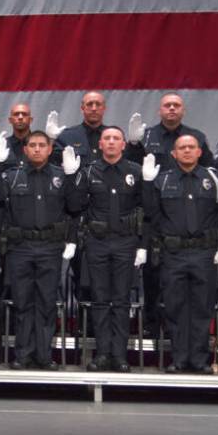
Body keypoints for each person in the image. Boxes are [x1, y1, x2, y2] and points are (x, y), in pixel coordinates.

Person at [0, 131, 82, 370]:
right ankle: (23, 354)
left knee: (46, 302)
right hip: (20, 247)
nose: (38, 149)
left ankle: (43, 355)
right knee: (23, 302)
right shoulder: (12, 176)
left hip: (51, 248)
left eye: (42, 145)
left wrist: (72, 177)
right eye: (33, 145)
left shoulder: (62, 177)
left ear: (50, 150)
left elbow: (75, 207)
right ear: (25, 150)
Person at [125, 93, 213, 336]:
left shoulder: (197, 137)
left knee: (186, 287)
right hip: (154, 212)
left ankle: (182, 335)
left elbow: (209, 171)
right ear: (159, 110)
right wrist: (133, 145)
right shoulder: (147, 136)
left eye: (176, 105)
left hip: (187, 213)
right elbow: (130, 172)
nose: (172, 109)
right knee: (153, 279)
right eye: (167, 105)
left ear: (183, 111)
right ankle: (153, 328)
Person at [142, 135, 218, 374]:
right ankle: (179, 359)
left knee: (202, 308)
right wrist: (148, 184)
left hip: (204, 252)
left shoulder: (214, 179)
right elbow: (152, 215)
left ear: (200, 152)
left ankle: (200, 361)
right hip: (174, 253)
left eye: (192, 147)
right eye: (182, 148)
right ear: (174, 153)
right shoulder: (163, 179)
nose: (187, 151)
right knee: (175, 307)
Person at [75, 127, 146, 373]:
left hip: (126, 241)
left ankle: (120, 355)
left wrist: (142, 245)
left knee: (121, 300)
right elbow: (75, 206)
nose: (112, 142)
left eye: (116, 138)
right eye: (107, 138)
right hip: (97, 241)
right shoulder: (88, 171)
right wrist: (72, 176)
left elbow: (148, 210)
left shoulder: (135, 172)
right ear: (101, 145)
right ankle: (103, 354)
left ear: (124, 144)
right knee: (100, 299)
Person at [47, 91, 107, 167]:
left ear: (104, 108)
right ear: (82, 109)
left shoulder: (114, 136)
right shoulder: (67, 136)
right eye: (89, 104)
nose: (94, 108)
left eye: (98, 104)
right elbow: (52, 165)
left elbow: (124, 163)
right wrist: (51, 140)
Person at [0, 102, 33, 169]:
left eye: (24, 114)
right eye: (16, 114)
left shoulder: (40, 145)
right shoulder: (3, 145)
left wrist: (52, 140)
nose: (20, 117)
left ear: (31, 120)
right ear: (10, 120)